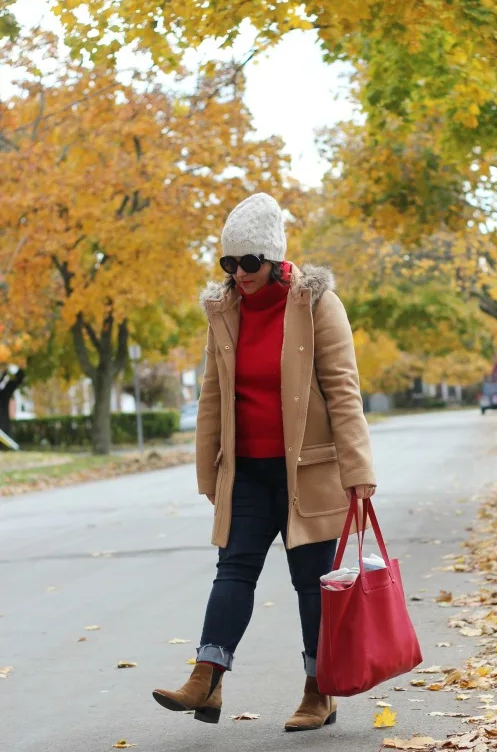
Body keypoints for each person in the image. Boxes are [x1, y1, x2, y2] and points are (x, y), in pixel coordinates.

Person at [153, 193, 376, 732]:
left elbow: (343, 391)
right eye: (229, 263)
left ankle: (318, 691)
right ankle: (207, 677)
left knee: (312, 582)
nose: (239, 274)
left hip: (310, 471)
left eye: (249, 262)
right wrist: (209, 470)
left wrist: (359, 472)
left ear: (275, 257)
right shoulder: (223, 309)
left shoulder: (317, 304)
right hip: (247, 472)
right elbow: (212, 394)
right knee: (233, 570)